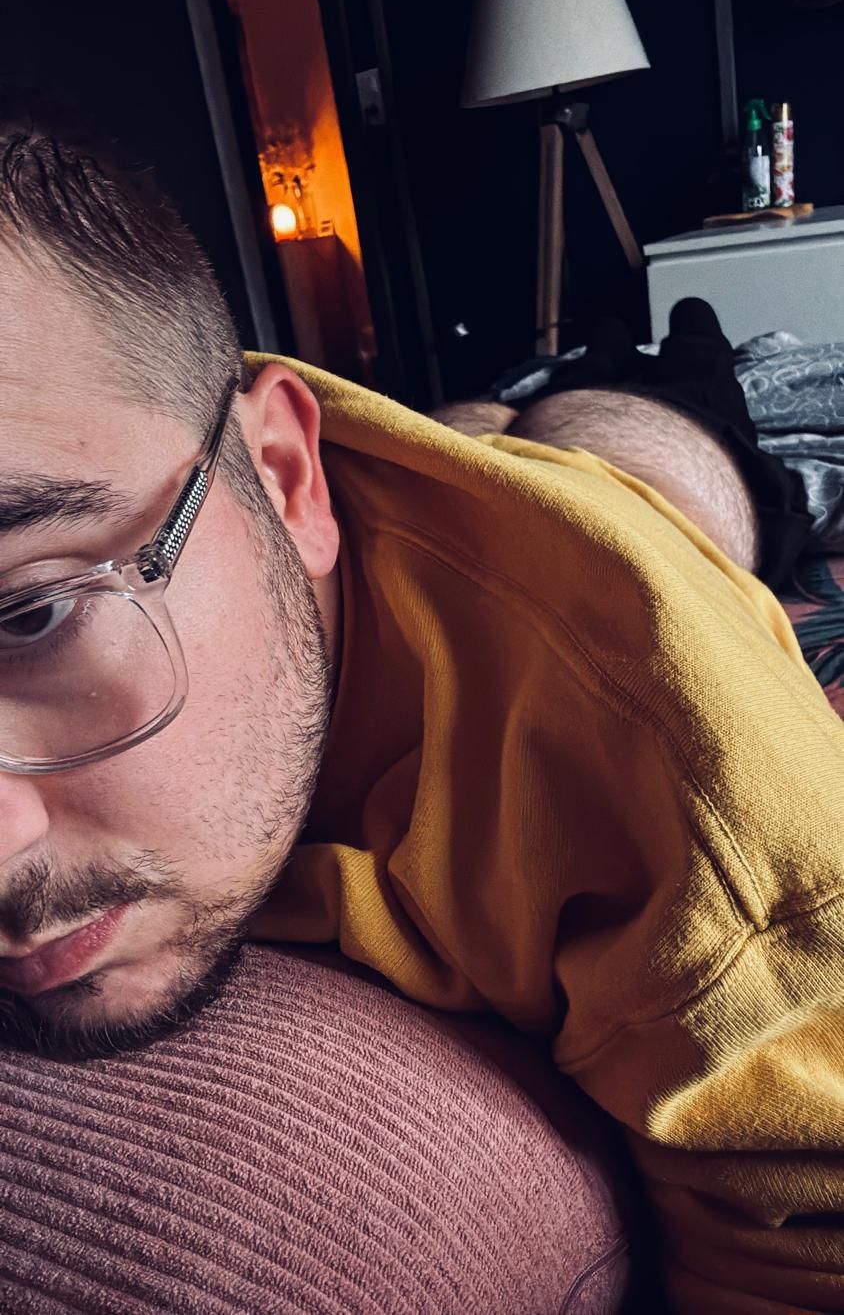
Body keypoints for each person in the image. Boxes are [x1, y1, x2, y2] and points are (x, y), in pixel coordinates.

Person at [0, 99, 841, 1315]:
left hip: (663, 478)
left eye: (31, 615)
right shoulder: (126, 464)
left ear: (284, 480)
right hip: (400, 463)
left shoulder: (725, 866)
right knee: (488, 423)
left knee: (649, 438)